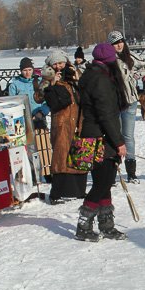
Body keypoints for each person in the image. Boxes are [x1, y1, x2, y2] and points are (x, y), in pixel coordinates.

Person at [76, 42, 128, 242]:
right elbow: (106, 115)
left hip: (93, 134)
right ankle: (84, 223)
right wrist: (119, 142)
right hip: (101, 137)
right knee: (103, 182)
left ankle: (106, 224)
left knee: (104, 182)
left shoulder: (91, 74)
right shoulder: (101, 80)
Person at [42, 49, 87, 204]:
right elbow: (40, 95)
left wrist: (76, 77)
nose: (59, 67)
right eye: (55, 64)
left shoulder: (74, 73)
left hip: (78, 121)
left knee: (79, 153)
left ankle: (79, 190)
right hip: (61, 121)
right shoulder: (47, 77)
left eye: (61, 63)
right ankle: (57, 193)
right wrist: (53, 82)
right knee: (61, 156)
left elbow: (85, 92)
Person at [108, 30, 145, 183]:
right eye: (115, 43)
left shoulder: (130, 57)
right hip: (114, 103)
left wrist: (136, 75)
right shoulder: (109, 59)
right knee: (114, 136)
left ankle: (131, 172)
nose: (118, 45)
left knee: (128, 136)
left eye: (120, 42)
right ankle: (113, 168)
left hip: (130, 101)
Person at [8, 57, 50, 129]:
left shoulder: (39, 82)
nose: (27, 73)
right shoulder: (14, 84)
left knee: (41, 139)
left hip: (39, 118)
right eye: (25, 70)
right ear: (21, 71)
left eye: (30, 70)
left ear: (33, 69)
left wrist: (41, 113)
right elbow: (12, 103)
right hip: (22, 120)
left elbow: (47, 101)